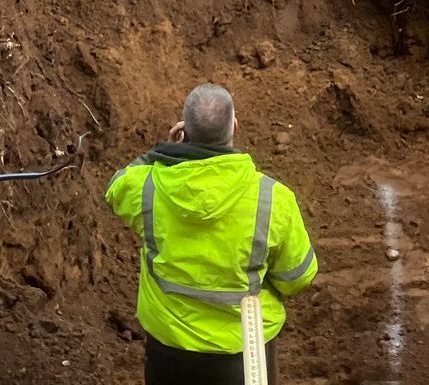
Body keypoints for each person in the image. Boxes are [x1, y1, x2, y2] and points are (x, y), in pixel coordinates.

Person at [105, 83, 319, 384]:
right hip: (245, 354)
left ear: (184, 130)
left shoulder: (147, 186)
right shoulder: (273, 198)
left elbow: (117, 185)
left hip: (168, 349)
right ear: (234, 126)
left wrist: (163, 152)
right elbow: (298, 278)